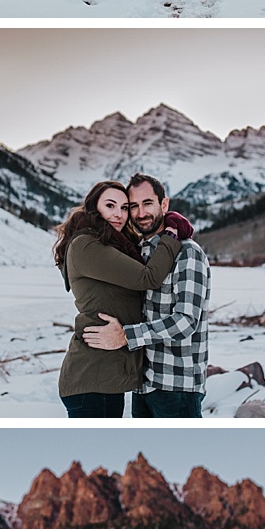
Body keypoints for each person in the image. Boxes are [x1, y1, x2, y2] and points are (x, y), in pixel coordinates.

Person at [54, 181, 191, 417]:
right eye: (110, 205)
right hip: (92, 377)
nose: (119, 214)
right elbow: (148, 277)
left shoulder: (111, 244)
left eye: (125, 207)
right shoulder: (87, 245)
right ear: (94, 207)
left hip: (104, 376)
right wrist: (171, 235)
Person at [83, 173, 211, 419]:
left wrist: (126, 336)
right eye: (133, 206)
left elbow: (186, 321)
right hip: (142, 384)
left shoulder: (186, 252)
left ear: (164, 204)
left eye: (148, 203)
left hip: (176, 384)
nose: (140, 213)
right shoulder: (139, 251)